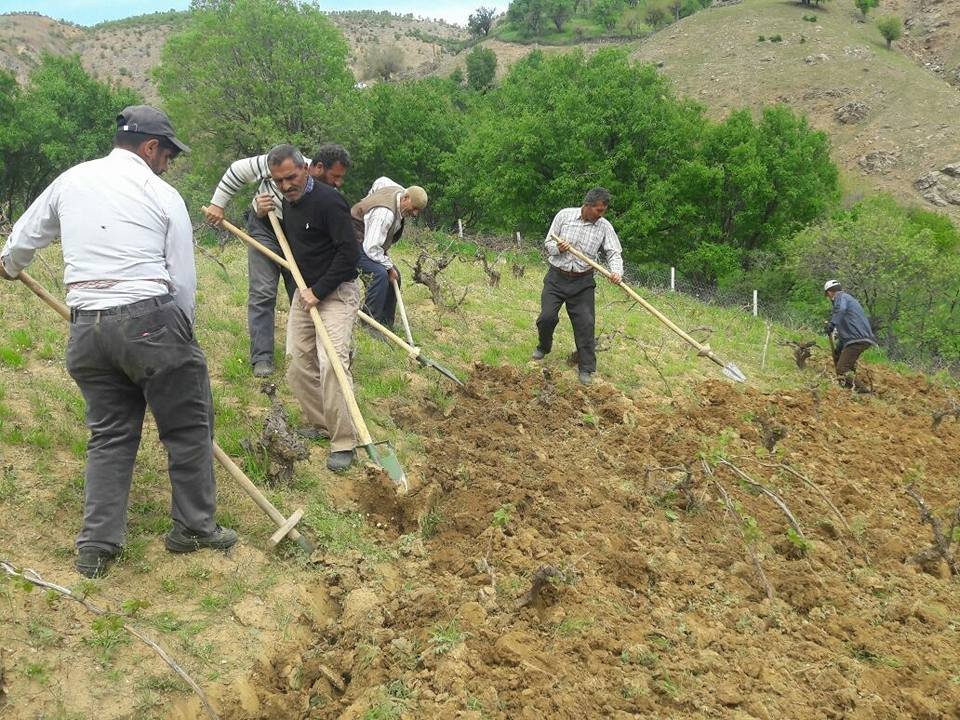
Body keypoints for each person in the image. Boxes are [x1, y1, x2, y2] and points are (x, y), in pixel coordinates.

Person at [0, 105, 237, 578]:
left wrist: (8, 265)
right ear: (150, 147)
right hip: (151, 320)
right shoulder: (161, 193)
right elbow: (182, 279)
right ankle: (192, 528)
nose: (168, 163)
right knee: (189, 428)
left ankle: (96, 548)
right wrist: (182, 336)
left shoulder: (71, 181)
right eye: (167, 154)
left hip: (86, 328)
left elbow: (22, 240)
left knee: (109, 436)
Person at [203, 143, 352, 377]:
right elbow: (236, 170)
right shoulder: (281, 162)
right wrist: (218, 204)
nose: (337, 183)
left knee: (302, 290)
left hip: (300, 232)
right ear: (314, 167)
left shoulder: (326, 195)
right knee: (263, 290)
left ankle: (317, 352)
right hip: (266, 225)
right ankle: (262, 357)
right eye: (334, 177)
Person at [263, 144, 360, 472]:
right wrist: (260, 212)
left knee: (331, 362)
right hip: (306, 295)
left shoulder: (329, 202)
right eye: (279, 181)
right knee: (298, 362)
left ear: (305, 168)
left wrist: (319, 291)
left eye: (291, 177)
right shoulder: (287, 202)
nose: (286, 185)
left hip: (336, 293)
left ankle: (344, 441)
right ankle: (322, 423)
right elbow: (272, 227)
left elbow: (349, 255)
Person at [533, 187, 623, 385]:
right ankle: (543, 346)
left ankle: (586, 368)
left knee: (586, 324)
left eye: (604, 211)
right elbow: (548, 243)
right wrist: (558, 248)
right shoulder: (564, 216)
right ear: (588, 205)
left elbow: (614, 252)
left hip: (582, 282)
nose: (601, 215)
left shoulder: (604, 226)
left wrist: (616, 272)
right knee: (546, 318)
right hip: (556, 277)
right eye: (599, 210)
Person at [350, 177, 428, 328]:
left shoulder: (399, 191)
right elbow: (371, 248)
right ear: (406, 198)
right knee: (380, 275)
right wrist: (388, 267)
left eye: (418, 210)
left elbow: (381, 180)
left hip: (369, 240)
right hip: (353, 240)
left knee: (395, 278)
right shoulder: (384, 213)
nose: (415, 214)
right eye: (414, 208)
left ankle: (385, 324)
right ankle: (370, 324)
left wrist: (370, 197)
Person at [823, 279, 876, 392]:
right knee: (847, 365)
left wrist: (832, 324)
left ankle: (863, 391)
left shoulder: (841, 298)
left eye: (827, 295)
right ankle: (849, 388)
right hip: (861, 338)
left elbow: (840, 310)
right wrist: (838, 349)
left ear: (829, 293)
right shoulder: (849, 300)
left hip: (857, 339)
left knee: (841, 369)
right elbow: (845, 332)